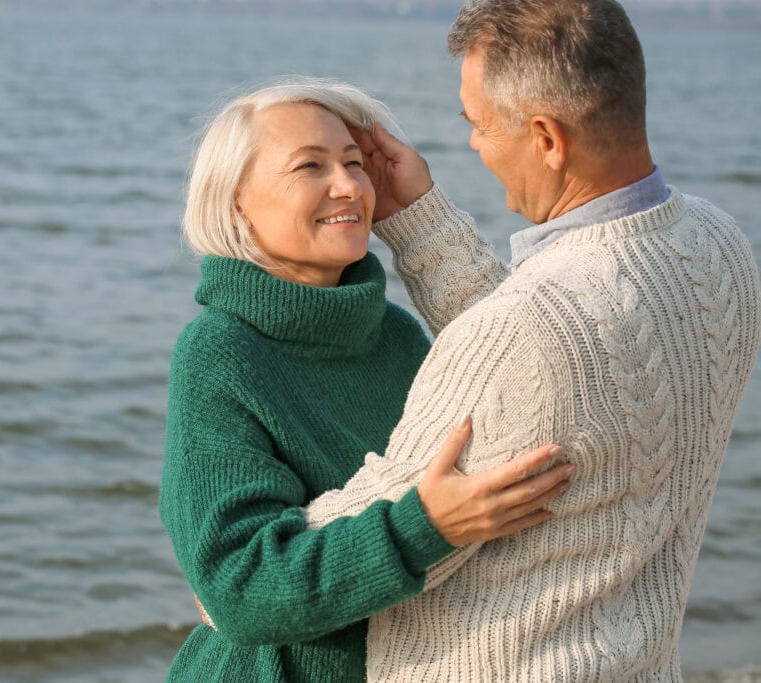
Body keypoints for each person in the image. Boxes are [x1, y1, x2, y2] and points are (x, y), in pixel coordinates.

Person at [303, 1, 761, 680]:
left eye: (479, 125)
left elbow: (336, 556)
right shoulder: (721, 243)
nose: (473, 145)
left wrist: (225, 582)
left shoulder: (527, 329)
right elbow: (570, 355)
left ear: (547, 138)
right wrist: (420, 220)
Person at [159, 78, 575, 681]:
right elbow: (239, 588)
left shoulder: (396, 334)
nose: (350, 184)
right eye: (310, 166)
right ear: (236, 204)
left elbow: (530, 369)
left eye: (355, 163)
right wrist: (424, 527)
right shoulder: (219, 353)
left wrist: (418, 210)